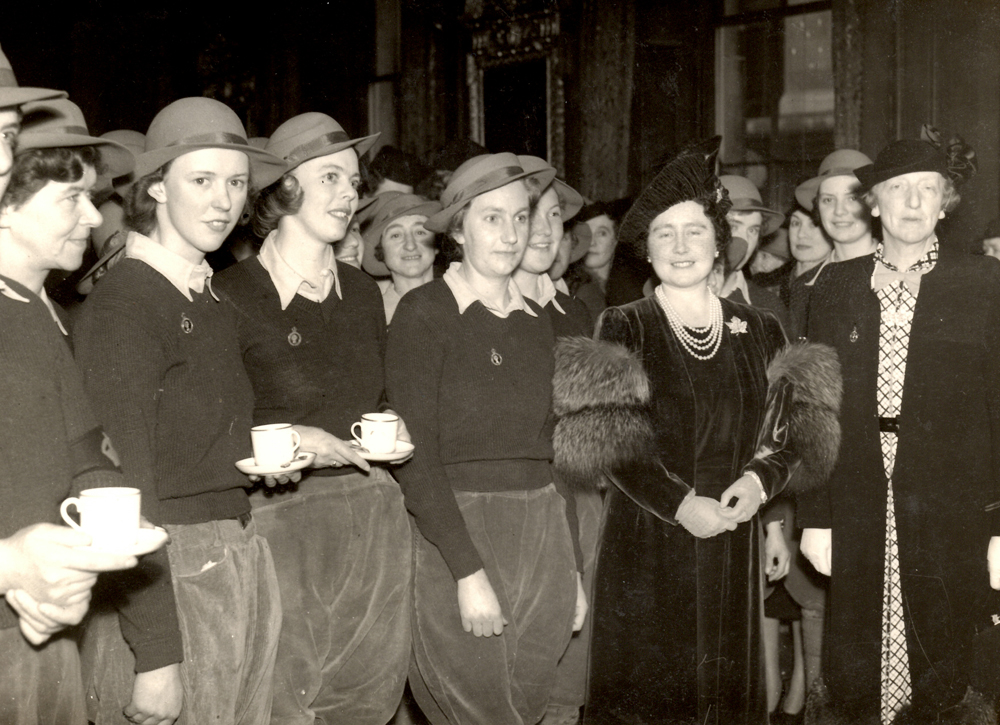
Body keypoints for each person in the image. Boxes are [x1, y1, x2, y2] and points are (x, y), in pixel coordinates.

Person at [551, 138, 839, 725]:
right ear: (648, 252)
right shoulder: (623, 323)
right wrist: (682, 505)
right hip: (648, 538)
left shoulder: (761, 328)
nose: (681, 247)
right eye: (665, 234)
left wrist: (760, 483)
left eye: (694, 233)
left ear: (718, 245)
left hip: (734, 537)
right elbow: (611, 442)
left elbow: (794, 431)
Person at [73, 96, 287, 725]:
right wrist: (158, 657)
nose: (223, 201)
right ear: (157, 186)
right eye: (202, 180)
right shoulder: (126, 305)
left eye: (236, 183)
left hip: (238, 555)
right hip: (176, 571)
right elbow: (121, 487)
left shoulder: (205, 295)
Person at [215, 112, 414, 725]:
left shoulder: (360, 293)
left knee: (368, 699)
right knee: (285, 700)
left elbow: (371, 400)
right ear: (284, 190)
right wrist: (292, 443)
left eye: (353, 180)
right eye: (329, 178)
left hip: (373, 514)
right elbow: (213, 427)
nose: (349, 193)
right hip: (281, 526)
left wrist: (394, 427)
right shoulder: (232, 292)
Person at [799, 137, 999, 724]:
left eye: (928, 189)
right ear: (875, 205)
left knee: (944, 664)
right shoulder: (834, 287)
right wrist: (815, 517)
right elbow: (814, 408)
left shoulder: (984, 283)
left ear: (945, 204)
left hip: (950, 506)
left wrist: (998, 528)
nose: (913, 202)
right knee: (856, 667)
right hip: (858, 497)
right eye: (897, 190)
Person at [385, 152, 587, 725]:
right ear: (458, 228)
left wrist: (570, 570)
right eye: (491, 218)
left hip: (544, 535)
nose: (511, 234)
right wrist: (467, 573)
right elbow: (415, 458)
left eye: (521, 218)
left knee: (528, 706)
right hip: (461, 536)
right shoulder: (424, 313)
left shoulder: (541, 321)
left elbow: (561, 456)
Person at [0, 48, 139, 725]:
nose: (93, 218)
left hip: (34, 638)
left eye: (4, 139)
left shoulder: (33, 313)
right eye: (72, 198)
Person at [718, 174, 790, 332]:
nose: (745, 240)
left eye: (753, 230)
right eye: (734, 226)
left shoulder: (768, 307)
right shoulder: (670, 298)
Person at [359, 191, 441, 323]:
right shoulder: (374, 319)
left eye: (420, 232)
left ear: (435, 244)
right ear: (381, 250)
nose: (410, 245)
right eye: (396, 235)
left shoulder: (464, 301)